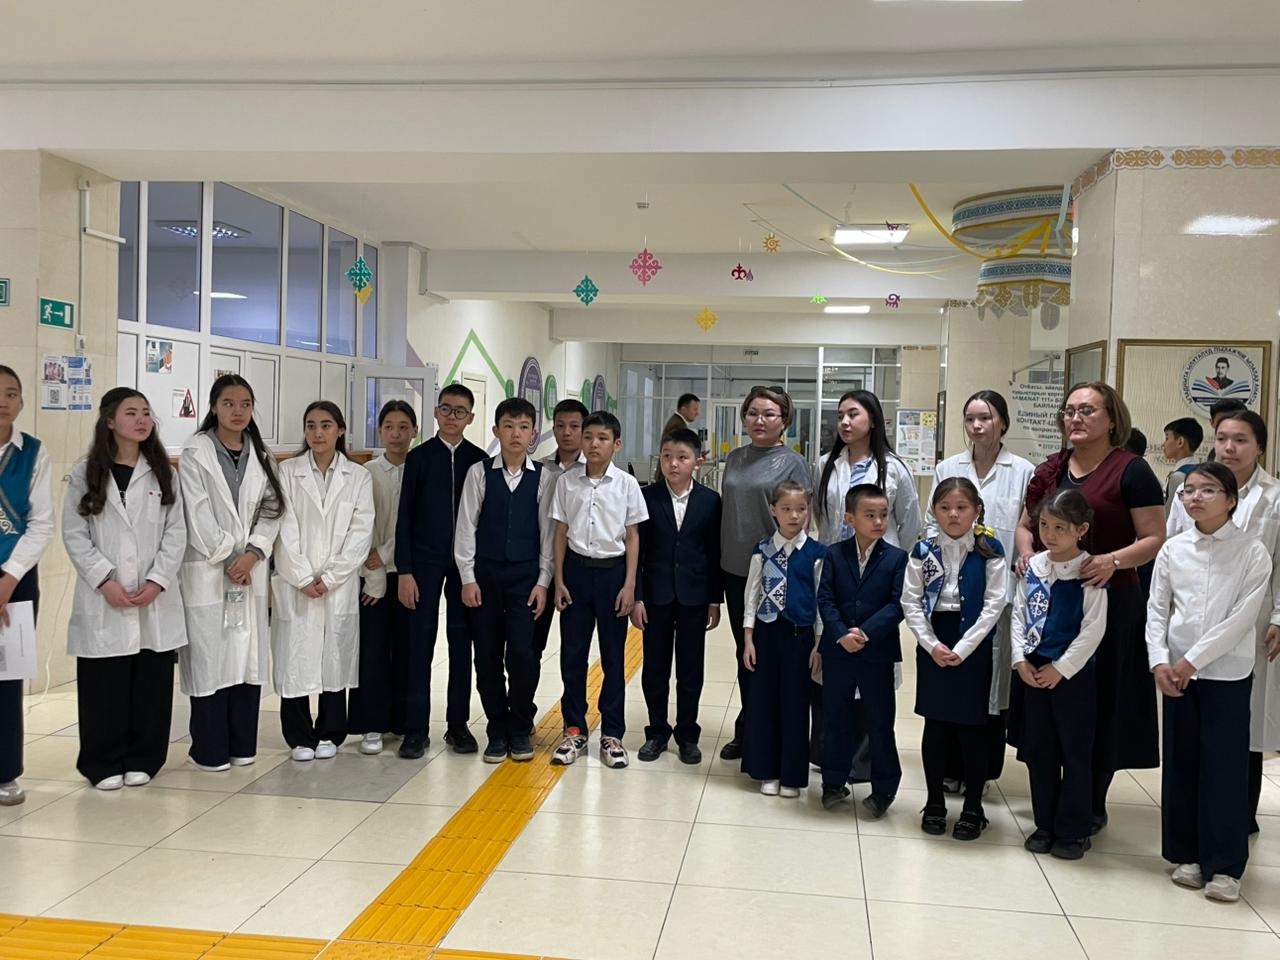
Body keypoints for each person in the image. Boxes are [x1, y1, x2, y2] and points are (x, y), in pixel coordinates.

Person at [1015, 382, 1165, 835]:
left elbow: (1154, 538)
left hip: (1109, 599)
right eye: (1069, 411)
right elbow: (1026, 526)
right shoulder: (1051, 468)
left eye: (1086, 410)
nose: (1075, 418)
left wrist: (1111, 560)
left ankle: (1090, 801)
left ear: (1112, 419)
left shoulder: (1131, 470)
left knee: (1102, 704)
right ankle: (1049, 802)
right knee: (1048, 700)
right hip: (1050, 600)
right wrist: (1027, 553)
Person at [1147, 461, 1271, 903]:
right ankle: (1187, 855)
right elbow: (1157, 609)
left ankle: (1226, 866)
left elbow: (1241, 619)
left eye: (1208, 490)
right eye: (1189, 491)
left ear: (1231, 500)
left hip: (1226, 673)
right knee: (1181, 763)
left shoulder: (1252, 552)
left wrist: (1192, 661)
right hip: (1175, 672)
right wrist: (1160, 660)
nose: (1195, 497)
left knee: (1224, 769)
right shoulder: (1173, 549)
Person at [63, 387, 187, 790]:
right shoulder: (85, 473)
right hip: (105, 596)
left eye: (146, 412)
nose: (141, 420)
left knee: (150, 682)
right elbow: (74, 533)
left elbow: (176, 533)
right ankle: (102, 762)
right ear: (110, 421)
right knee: (104, 685)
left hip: (153, 596)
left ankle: (145, 757)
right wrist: (104, 580)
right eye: (131, 412)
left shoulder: (164, 472)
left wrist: (157, 581)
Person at [1166, 410, 1280, 834]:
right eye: (1222, 438)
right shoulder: (1192, 489)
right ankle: (1195, 819)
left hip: (1253, 622)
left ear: (1260, 447)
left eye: (1241, 440)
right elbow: (1174, 548)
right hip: (1191, 625)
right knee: (1195, 727)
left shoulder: (1274, 497)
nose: (1229, 448)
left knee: (1245, 725)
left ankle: (1240, 816)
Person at [178, 375, 286, 772]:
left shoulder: (263, 455)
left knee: (246, 657)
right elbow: (196, 510)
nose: (237, 411)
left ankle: (243, 745)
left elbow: (273, 509)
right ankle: (209, 750)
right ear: (213, 407)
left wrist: (253, 553)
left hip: (249, 570)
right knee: (209, 658)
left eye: (245, 404)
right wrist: (229, 556)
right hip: (209, 568)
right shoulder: (196, 452)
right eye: (228, 403)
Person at [928, 389, 1034, 792]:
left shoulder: (1023, 471)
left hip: (999, 595)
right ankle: (950, 766)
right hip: (950, 593)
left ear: (1002, 422)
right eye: (970, 418)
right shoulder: (948, 468)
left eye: (985, 418)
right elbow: (931, 524)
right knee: (952, 677)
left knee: (992, 683)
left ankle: (983, 770)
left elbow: (1026, 529)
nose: (977, 426)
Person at [904, 478, 1008, 840]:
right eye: (945, 507)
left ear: (976, 510)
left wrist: (964, 648)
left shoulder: (989, 549)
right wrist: (931, 644)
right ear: (934, 511)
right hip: (935, 639)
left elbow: (995, 604)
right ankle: (934, 801)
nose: (953, 514)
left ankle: (973, 807)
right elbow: (911, 601)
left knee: (973, 727)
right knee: (935, 725)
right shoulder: (923, 550)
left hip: (973, 643)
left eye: (962, 508)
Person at [271, 402, 375, 762]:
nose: (318, 433)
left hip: (337, 585)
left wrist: (329, 578)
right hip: (296, 582)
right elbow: (283, 528)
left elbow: (360, 533)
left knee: (334, 658)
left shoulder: (357, 476)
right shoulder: (287, 472)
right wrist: (302, 577)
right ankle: (299, 736)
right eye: (311, 425)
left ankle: (331, 731)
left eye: (326, 425)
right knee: (295, 659)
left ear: (340, 430)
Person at [456, 397, 557, 763]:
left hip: (525, 579)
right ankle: (497, 730)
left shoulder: (544, 477)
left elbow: (548, 535)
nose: (516, 434)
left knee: (523, 655)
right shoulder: (480, 473)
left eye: (523, 427)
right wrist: (468, 578)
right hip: (485, 578)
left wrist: (543, 581)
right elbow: (466, 528)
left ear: (533, 434)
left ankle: (520, 727)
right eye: (509, 426)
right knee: (486, 655)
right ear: (496, 431)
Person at [1012, 489, 1107, 861]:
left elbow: (1093, 629)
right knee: (1040, 750)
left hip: (1072, 675)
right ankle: (1045, 824)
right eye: (1044, 526)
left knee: (1075, 751)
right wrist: (1020, 659)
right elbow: (1019, 614)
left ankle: (1074, 829)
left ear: (1081, 530)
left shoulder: (1090, 570)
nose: (1049, 535)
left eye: (1060, 528)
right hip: (1034, 669)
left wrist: (1062, 668)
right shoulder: (1035, 566)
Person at [718, 385, 812, 761]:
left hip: (776, 571)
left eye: (769, 414)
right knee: (746, 652)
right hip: (734, 570)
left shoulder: (793, 462)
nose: (760, 420)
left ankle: (772, 733)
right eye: (753, 413)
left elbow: (801, 518)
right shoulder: (735, 458)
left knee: (772, 654)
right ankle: (749, 728)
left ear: (784, 421)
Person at [550, 410, 647, 767]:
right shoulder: (567, 482)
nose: (593, 444)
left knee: (613, 658)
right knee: (572, 656)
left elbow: (633, 537)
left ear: (616, 444)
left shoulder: (627, 484)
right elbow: (560, 533)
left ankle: (612, 734)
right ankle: (574, 730)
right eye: (588, 436)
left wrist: (630, 585)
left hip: (612, 576)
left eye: (602, 438)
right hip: (575, 574)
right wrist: (559, 580)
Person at [394, 385, 486, 759]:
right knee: (419, 645)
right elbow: (404, 517)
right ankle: (415, 729)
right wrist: (405, 570)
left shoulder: (479, 461)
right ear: (435, 412)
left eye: (460, 411)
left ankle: (458, 725)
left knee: (462, 645)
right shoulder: (419, 458)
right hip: (424, 564)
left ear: (471, 418)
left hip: (465, 566)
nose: (452, 417)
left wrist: (476, 573)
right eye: (446, 409)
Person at [632, 428, 722, 765]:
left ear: (697, 462)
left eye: (682, 458)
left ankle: (687, 734)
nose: (673, 464)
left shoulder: (710, 501)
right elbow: (637, 552)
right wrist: (637, 598)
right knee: (655, 667)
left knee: (690, 669)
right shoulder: (646, 496)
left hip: (694, 597)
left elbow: (713, 553)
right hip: (656, 595)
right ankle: (656, 731)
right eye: (667, 456)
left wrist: (714, 600)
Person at [816, 483, 908, 816]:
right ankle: (833, 781)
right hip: (839, 650)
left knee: (879, 721)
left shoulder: (897, 558)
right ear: (850, 518)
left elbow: (898, 604)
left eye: (883, 514)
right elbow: (825, 598)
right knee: (835, 718)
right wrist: (841, 633)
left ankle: (884, 788)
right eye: (870, 515)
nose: (879, 521)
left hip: (876, 652)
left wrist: (865, 632)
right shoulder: (834, 554)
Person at [742, 479, 827, 797]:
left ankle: (792, 775)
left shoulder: (817, 554)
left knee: (796, 705)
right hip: (766, 635)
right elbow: (751, 595)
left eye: (801, 509)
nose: (794, 515)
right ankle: (767, 770)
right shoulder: (762, 550)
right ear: (773, 510)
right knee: (764, 702)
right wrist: (748, 639)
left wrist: (819, 644)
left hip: (800, 638)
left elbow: (821, 602)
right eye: (787, 509)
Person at [348, 400, 416, 756]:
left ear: (415, 431)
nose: (396, 433)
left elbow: (419, 522)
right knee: (372, 651)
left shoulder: (421, 468)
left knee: (407, 650)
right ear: (379, 431)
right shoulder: (366, 472)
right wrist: (374, 568)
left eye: (403, 427)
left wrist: (388, 553)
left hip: (408, 574)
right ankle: (372, 723)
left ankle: (403, 721)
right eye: (389, 426)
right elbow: (361, 522)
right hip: (371, 575)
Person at [0, 366, 54, 807]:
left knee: (6, 677)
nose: (4, 401)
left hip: (15, 579)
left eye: (12, 393)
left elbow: (41, 523)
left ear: (21, 402)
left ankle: (4, 774)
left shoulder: (33, 452)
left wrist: (8, 578)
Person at [815, 390, 920, 549]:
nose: (844, 422)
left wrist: (894, 557)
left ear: (873, 421)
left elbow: (910, 523)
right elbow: (821, 515)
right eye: (840, 416)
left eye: (853, 415)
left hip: (881, 559)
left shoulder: (895, 467)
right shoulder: (825, 464)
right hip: (835, 556)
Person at [532, 398, 589, 661]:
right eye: (560, 425)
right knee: (532, 642)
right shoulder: (537, 468)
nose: (566, 432)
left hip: (577, 565)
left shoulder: (593, 471)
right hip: (540, 564)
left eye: (574, 426)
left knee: (574, 646)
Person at [1161, 416, 1204, 511]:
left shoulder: (1178, 477)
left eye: (1167, 438)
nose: (1163, 444)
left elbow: (1171, 514)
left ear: (1180, 442)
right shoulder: (1203, 472)